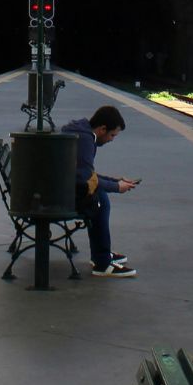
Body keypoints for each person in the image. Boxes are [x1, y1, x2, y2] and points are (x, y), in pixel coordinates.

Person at [63, 105, 138, 278]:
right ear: (102, 129)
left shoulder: (82, 133)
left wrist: (116, 181)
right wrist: (117, 187)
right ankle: (102, 262)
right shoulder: (85, 140)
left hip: (54, 188)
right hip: (56, 197)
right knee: (99, 201)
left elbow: (87, 175)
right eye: (112, 135)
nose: (112, 139)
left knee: (98, 197)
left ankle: (101, 255)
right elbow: (87, 179)